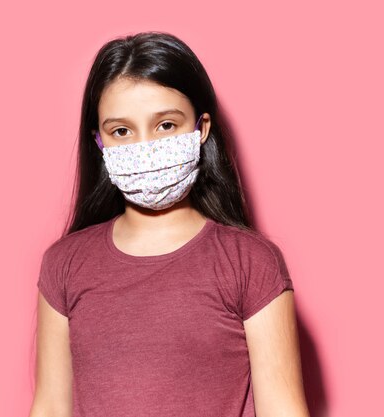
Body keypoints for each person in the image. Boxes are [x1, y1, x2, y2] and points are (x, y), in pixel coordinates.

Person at [29, 31, 310, 417]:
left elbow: (284, 410)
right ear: (99, 142)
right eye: (122, 131)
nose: (145, 146)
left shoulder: (250, 263)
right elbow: (50, 407)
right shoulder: (64, 265)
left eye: (165, 125)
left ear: (201, 128)